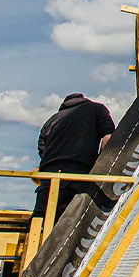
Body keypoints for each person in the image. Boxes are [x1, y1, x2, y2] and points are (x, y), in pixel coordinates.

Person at [33, 92, 114, 221]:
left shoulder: (51, 120)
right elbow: (109, 139)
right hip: (78, 176)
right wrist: (100, 168)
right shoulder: (97, 109)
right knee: (73, 225)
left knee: (40, 222)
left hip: (48, 179)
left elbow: (42, 151)